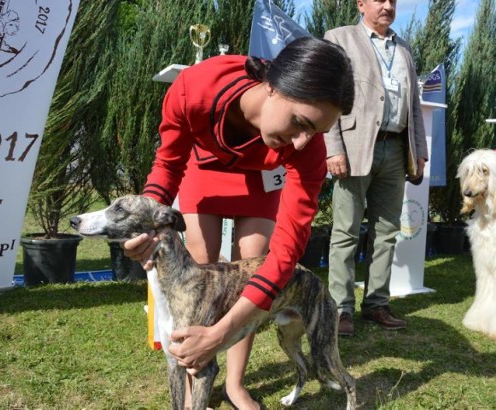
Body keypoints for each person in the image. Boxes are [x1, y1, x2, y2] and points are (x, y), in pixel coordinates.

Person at [122, 36, 354, 409]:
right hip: (205, 168)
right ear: (274, 86)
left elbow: (285, 254)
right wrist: (144, 227)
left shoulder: (306, 150)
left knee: (254, 259)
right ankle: (192, 376)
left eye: (316, 132)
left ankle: (234, 384)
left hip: (260, 179)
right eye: (299, 123)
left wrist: (221, 333)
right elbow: (167, 166)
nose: (300, 143)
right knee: (199, 269)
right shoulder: (196, 88)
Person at [323, 0, 427, 337]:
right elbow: (328, 95)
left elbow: (412, 103)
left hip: (396, 149)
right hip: (354, 149)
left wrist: (419, 152)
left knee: (387, 232)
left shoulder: (405, 48)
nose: (387, 6)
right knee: (346, 232)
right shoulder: (339, 39)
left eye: (393, 0)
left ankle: (377, 303)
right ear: (361, 4)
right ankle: (340, 309)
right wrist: (333, 147)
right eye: (380, 0)